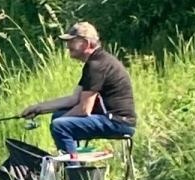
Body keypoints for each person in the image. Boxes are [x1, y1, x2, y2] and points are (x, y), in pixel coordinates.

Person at [21, 22, 136, 157]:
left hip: (118, 122)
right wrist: (38, 108)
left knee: (60, 125)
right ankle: (73, 158)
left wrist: (56, 125)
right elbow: (74, 99)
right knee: (58, 118)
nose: (67, 46)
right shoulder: (95, 62)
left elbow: (84, 110)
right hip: (113, 120)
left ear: (86, 43)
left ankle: (74, 170)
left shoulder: (96, 66)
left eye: (72, 41)